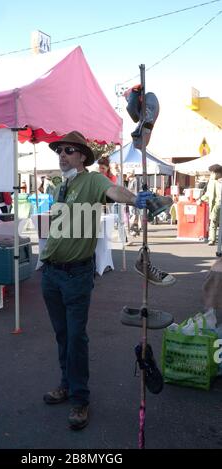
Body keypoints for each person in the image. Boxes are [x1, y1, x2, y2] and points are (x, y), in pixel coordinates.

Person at [40, 131, 173, 431]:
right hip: (51, 272)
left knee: (76, 338)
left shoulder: (93, 180)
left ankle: (80, 399)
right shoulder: (61, 184)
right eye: (59, 150)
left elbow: (115, 192)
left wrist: (136, 200)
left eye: (69, 150)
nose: (62, 154)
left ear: (82, 156)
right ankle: (65, 384)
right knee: (63, 336)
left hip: (75, 275)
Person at [200, 164, 222, 246]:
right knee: (213, 222)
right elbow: (208, 193)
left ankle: (214, 239)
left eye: (213, 173)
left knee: (214, 222)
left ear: (218, 173)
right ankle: (212, 239)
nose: (212, 174)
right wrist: (201, 199)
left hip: (218, 204)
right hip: (215, 205)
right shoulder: (211, 182)